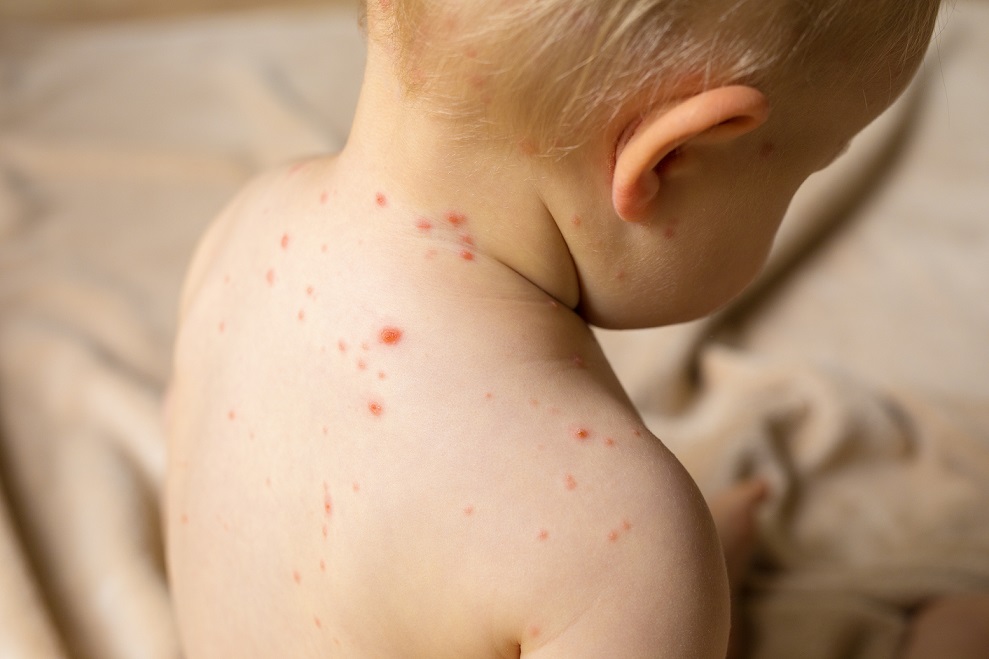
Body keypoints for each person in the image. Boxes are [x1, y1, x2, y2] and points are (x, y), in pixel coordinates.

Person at [163, 0, 943, 656]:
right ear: (669, 160)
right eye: (804, 170)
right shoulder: (610, 538)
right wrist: (653, 581)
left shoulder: (242, 228)